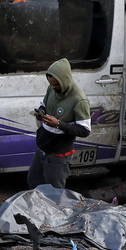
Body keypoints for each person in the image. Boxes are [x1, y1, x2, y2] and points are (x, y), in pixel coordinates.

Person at [27, 58, 91, 189]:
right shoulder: (51, 89)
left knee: (54, 193)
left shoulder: (79, 100)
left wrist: (58, 124)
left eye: (56, 84)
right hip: (43, 147)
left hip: (59, 155)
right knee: (33, 184)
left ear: (65, 80)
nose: (54, 87)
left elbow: (84, 130)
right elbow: (43, 105)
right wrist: (41, 112)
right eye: (51, 84)